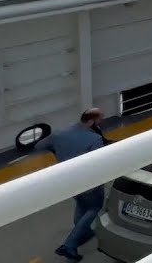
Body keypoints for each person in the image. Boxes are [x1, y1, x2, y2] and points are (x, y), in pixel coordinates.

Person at [35, 108, 109, 261]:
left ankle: (83, 232)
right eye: (99, 120)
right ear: (91, 121)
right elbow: (100, 162)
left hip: (68, 181)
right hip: (89, 183)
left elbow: (39, 146)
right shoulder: (94, 139)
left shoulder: (59, 133)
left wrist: (58, 152)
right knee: (93, 208)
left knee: (82, 205)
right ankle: (70, 245)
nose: (101, 122)